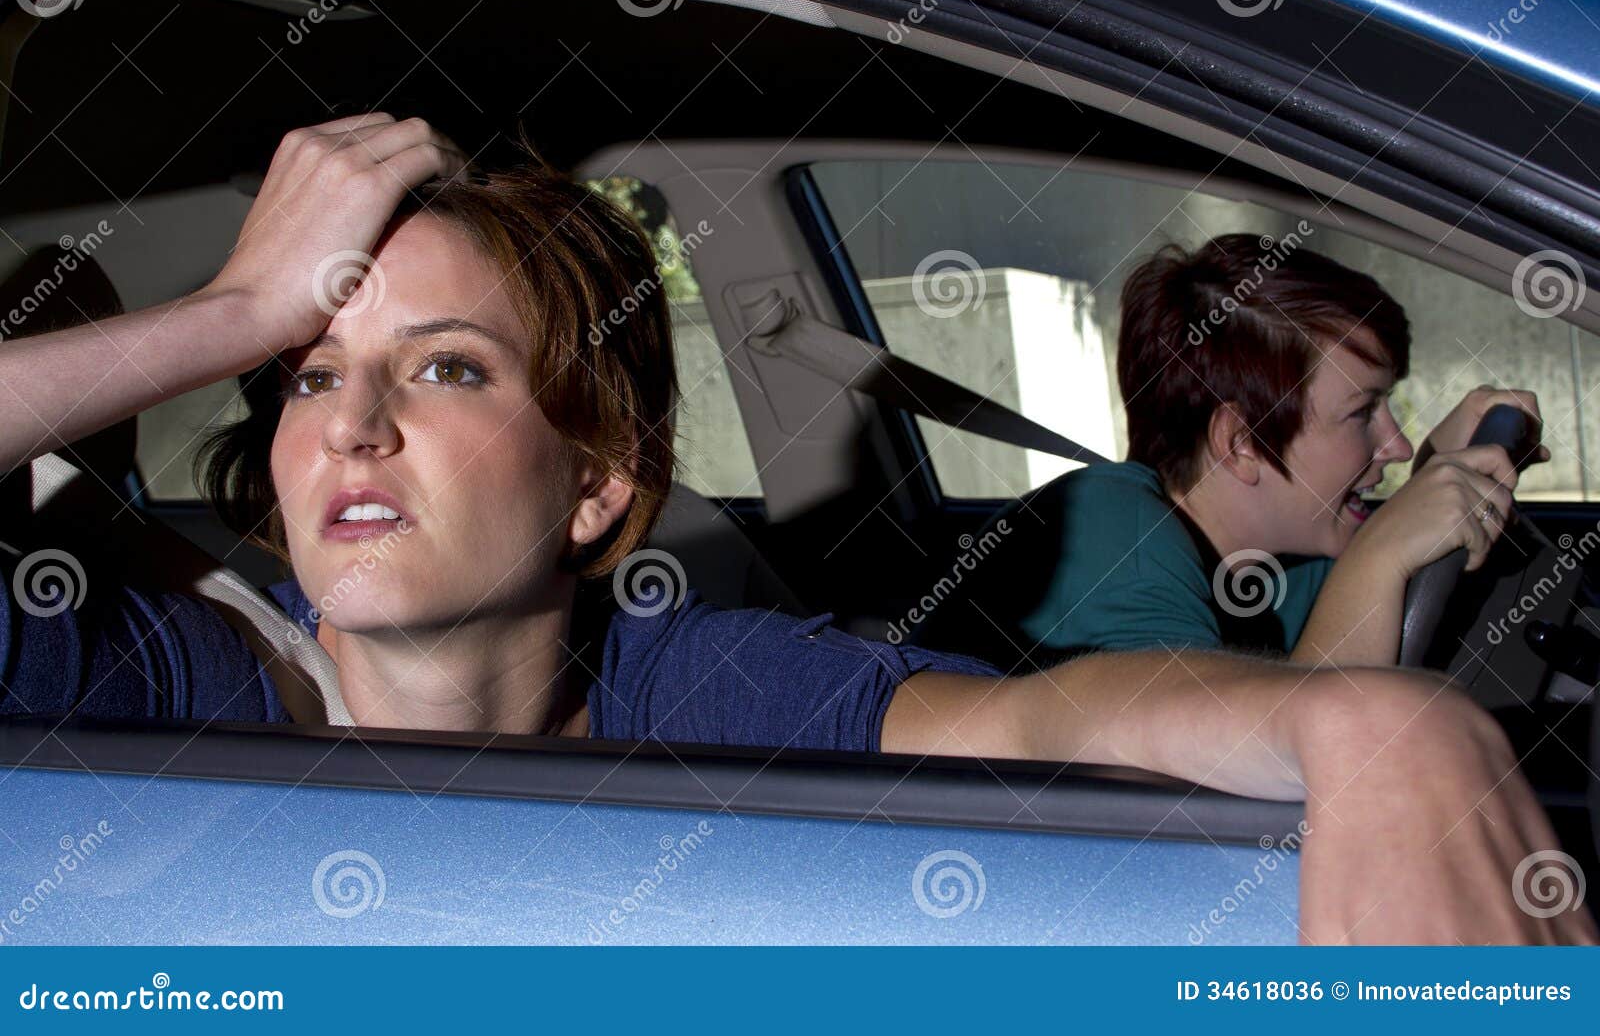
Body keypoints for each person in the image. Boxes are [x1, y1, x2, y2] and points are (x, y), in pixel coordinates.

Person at [0, 115, 1590, 944]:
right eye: (308, 375)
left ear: (601, 479)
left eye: (445, 367)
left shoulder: (693, 688)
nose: (348, 424)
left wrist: (1368, 724)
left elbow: (1045, 718)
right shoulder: (141, 682)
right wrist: (233, 308)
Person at [916, 234, 1544, 670]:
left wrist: (1441, 478)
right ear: (1241, 443)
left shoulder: (1297, 546)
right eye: (1361, 413)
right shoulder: (1109, 537)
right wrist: (1379, 561)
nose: (1399, 444)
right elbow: (1232, 793)